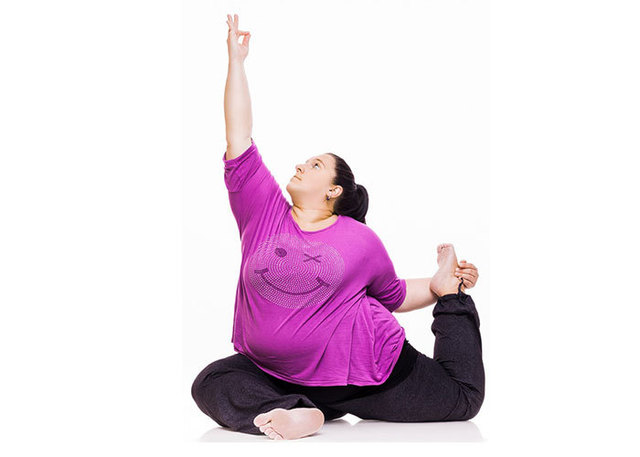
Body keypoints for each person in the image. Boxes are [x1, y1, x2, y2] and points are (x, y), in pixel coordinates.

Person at [191, 14, 484, 441]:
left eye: (314, 165)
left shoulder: (359, 239)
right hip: (280, 375)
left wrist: (443, 288)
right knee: (210, 382)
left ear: (333, 190)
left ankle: (452, 296)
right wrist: (236, 62)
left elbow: (394, 295)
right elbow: (238, 134)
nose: (300, 165)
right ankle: (299, 412)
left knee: (462, 400)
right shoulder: (262, 211)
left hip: (367, 375)